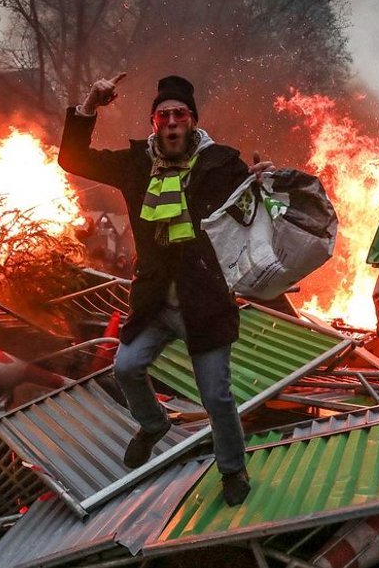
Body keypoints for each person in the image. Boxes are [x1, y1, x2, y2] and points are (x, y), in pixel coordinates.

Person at [58, 73, 275, 506]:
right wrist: (88, 106)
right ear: (154, 123)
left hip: (205, 302)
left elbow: (253, 207)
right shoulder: (135, 165)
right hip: (155, 302)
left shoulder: (220, 164)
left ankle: (232, 471)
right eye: (163, 116)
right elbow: (72, 159)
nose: (172, 122)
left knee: (216, 395)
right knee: (125, 367)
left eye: (180, 115)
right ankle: (154, 422)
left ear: (192, 121)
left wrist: (261, 181)